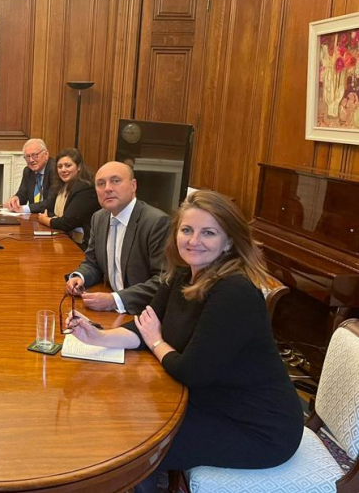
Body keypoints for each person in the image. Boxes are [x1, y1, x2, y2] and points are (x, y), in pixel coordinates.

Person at [64, 190, 303, 492]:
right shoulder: (183, 273)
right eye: (187, 230)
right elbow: (146, 325)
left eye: (209, 233)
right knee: (120, 419)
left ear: (228, 241)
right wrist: (99, 336)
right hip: (208, 400)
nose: (193, 241)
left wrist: (157, 342)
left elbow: (191, 370)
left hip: (256, 426)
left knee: (136, 444)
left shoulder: (234, 292)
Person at [65, 161, 168, 314]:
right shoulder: (99, 218)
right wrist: (80, 277)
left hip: (143, 313)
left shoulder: (156, 222)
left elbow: (163, 281)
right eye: (101, 183)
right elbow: (93, 263)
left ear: (133, 185)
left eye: (116, 181)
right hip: (110, 310)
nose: (107, 188)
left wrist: (115, 300)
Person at [36, 148, 99, 248]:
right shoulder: (61, 186)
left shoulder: (85, 188)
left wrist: (44, 220)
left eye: (68, 166)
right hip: (65, 238)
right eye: (59, 166)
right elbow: (48, 209)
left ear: (79, 167)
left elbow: (66, 223)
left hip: (82, 246)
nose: (63, 170)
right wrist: (54, 219)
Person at [4, 139, 55, 214]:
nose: (31, 160)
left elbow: (51, 202)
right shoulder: (28, 171)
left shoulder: (55, 169)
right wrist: (15, 199)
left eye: (34, 155)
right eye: (27, 156)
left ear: (46, 155)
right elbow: (22, 195)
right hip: (34, 217)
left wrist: (24, 209)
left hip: (50, 217)